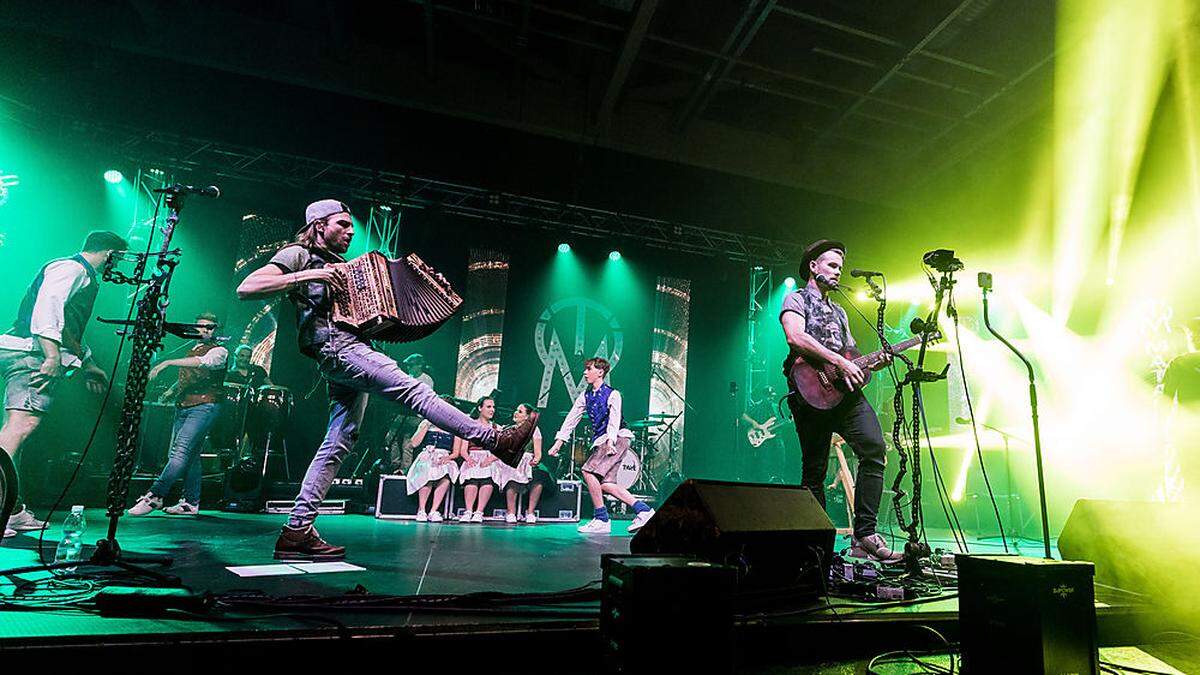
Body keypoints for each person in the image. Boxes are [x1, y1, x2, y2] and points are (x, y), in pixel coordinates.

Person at [236, 198, 537, 560]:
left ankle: (297, 529)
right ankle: (494, 439)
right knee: (416, 392)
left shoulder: (340, 266)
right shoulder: (299, 254)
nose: (350, 232)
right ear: (319, 226)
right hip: (338, 349)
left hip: (349, 347)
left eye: (350, 226)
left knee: (338, 441)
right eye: (342, 225)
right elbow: (248, 287)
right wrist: (309, 275)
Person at [780, 239, 900, 562]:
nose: (837, 272)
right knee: (814, 470)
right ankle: (816, 547)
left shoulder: (841, 311)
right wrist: (839, 361)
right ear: (813, 266)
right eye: (832, 265)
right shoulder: (795, 299)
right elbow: (795, 337)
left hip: (844, 397)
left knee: (874, 448)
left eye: (840, 267)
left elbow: (852, 356)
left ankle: (865, 536)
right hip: (810, 393)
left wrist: (870, 363)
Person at [0, 230, 126, 538]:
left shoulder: (80, 274)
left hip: (28, 351)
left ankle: (12, 510)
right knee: (20, 427)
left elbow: (69, 326)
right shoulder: (71, 268)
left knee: (16, 430)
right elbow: (49, 308)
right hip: (30, 353)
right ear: (109, 253)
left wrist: (89, 363)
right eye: (119, 258)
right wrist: (52, 357)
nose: (119, 266)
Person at [129, 312, 228, 516]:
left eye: (210, 327)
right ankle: (191, 502)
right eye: (201, 326)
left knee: (180, 452)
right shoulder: (192, 349)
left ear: (216, 330)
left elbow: (204, 363)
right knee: (189, 456)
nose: (204, 330)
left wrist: (168, 363)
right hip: (184, 405)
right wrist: (171, 391)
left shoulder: (219, 351)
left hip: (204, 405)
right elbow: (191, 374)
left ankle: (155, 496)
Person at [548, 358, 655, 534]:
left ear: (600, 372)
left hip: (617, 438)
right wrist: (559, 442)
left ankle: (601, 518)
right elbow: (571, 419)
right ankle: (644, 510)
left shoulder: (613, 394)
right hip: (606, 440)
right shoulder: (585, 396)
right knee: (606, 484)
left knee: (587, 471)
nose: (585, 372)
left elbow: (614, 420)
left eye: (588, 369)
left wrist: (611, 441)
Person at [493, 403, 551, 523]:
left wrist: (536, 460)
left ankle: (530, 512)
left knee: (539, 476)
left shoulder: (534, 430)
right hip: (513, 459)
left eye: (520, 411)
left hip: (528, 459)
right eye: (516, 410)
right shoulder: (509, 429)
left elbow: (538, 453)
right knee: (511, 473)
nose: (515, 412)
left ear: (527, 417)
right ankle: (511, 512)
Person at [454, 396, 501, 523]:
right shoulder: (470, 425)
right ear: (480, 408)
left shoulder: (497, 428)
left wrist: (490, 459)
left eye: (493, 407)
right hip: (473, 455)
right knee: (472, 475)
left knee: (488, 476)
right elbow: (463, 449)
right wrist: (468, 459)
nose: (492, 410)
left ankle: (479, 511)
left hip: (490, 457)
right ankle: (468, 510)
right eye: (489, 407)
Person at [406, 418, 458, 522]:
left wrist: (447, 458)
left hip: (445, 456)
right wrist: (427, 425)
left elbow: (456, 452)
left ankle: (433, 511)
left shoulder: (453, 427)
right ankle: (421, 510)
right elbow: (414, 443)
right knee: (426, 471)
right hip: (427, 454)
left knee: (447, 473)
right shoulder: (426, 423)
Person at [741, 383, 784, 482]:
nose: (771, 398)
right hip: (763, 441)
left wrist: (786, 422)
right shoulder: (757, 406)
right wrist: (754, 423)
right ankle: (765, 482)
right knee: (765, 463)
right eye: (769, 396)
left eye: (772, 396)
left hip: (777, 438)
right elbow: (743, 416)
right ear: (763, 396)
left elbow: (782, 421)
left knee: (780, 460)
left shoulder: (777, 407)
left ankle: (778, 481)